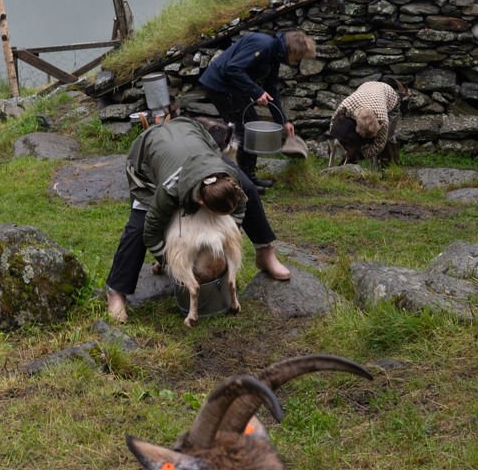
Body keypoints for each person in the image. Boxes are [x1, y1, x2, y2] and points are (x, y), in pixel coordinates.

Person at [105, 116, 292, 324]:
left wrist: (231, 231)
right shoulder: (169, 189)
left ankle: (265, 252)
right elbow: (151, 231)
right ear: (202, 202)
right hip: (148, 157)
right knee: (139, 225)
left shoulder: (228, 177)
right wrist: (170, 263)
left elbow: (239, 204)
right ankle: (116, 292)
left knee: (250, 188)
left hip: (194, 138)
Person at [197, 29, 316, 185]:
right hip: (220, 86)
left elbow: (272, 89)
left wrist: (283, 121)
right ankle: (242, 180)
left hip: (234, 88)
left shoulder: (274, 55)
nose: (297, 61)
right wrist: (256, 91)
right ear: (291, 50)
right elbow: (232, 68)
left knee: (249, 126)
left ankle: (249, 177)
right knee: (243, 131)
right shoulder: (263, 45)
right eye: (298, 57)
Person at [328, 80, 400, 164]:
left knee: (388, 138)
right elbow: (333, 120)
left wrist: (360, 155)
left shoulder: (383, 121)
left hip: (390, 96)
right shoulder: (347, 106)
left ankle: (389, 166)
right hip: (367, 86)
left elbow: (379, 144)